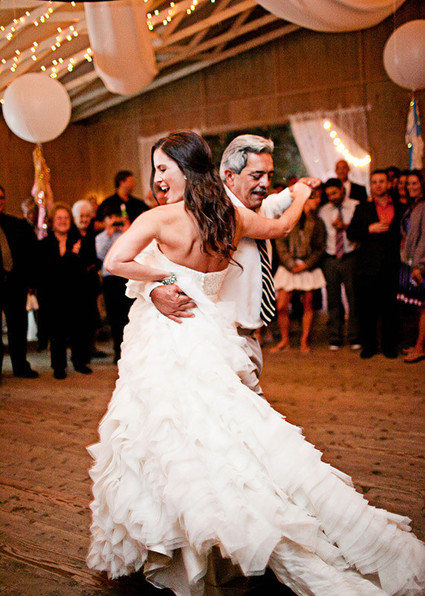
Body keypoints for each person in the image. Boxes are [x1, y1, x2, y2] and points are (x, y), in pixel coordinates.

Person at [87, 132, 425, 596]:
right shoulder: (229, 216)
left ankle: (194, 539)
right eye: (156, 169)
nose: (158, 177)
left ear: (185, 169)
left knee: (166, 437)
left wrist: (163, 276)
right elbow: (282, 227)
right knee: (223, 433)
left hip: (167, 339)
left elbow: (116, 261)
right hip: (212, 333)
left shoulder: (159, 218)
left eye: (163, 168)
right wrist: (301, 193)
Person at [145, 134, 301, 396]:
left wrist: (301, 188)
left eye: (269, 176)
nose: (265, 184)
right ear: (229, 176)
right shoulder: (211, 212)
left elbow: (281, 202)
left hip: (249, 338)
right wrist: (154, 290)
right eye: (257, 176)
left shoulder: (260, 208)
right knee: (249, 413)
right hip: (219, 339)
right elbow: (154, 258)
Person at [347, 170, 403, 359]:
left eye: (381, 181)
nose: (378, 185)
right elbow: (351, 233)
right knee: (367, 309)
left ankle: (389, 346)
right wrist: (368, 229)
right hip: (367, 266)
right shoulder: (362, 208)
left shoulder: (400, 207)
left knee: (390, 308)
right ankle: (369, 346)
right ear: (370, 186)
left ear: (389, 184)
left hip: (392, 265)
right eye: (374, 182)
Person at [37, 203, 93, 379]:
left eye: (66, 218)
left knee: (78, 330)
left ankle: (79, 362)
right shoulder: (45, 244)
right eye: (59, 218)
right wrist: (72, 256)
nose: (63, 221)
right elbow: (46, 270)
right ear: (53, 221)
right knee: (56, 332)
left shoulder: (79, 240)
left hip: (76, 293)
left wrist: (75, 257)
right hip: (53, 295)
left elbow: (87, 264)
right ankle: (58, 366)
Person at [271, 188, 326, 353]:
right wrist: (291, 263)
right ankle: (285, 340)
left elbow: (320, 248)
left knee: (308, 304)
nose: (317, 202)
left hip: (307, 267)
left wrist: (306, 264)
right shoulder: (289, 217)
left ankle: (304, 341)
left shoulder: (317, 222)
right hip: (289, 266)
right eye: (314, 198)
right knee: (281, 305)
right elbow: (280, 242)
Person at [0, 185, 39, 379]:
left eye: (1, 197)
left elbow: (30, 254)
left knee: (18, 327)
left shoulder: (16, 225)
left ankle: (20, 366)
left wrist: (29, 281)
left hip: (15, 284)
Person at [319, 178, 360, 350]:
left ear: (342, 190)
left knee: (354, 297)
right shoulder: (323, 211)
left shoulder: (355, 206)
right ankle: (335, 336)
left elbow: (361, 229)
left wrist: (345, 226)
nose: (332, 197)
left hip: (350, 256)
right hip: (331, 257)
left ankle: (355, 335)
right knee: (333, 298)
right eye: (329, 195)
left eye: (335, 193)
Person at [95, 208, 133, 364]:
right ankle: (117, 350)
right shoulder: (101, 237)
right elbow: (100, 255)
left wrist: (127, 232)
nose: (115, 220)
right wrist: (109, 234)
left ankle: (130, 350)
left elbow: (133, 251)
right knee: (114, 316)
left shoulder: (128, 234)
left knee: (129, 315)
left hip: (126, 277)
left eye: (117, 216)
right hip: (110, 279)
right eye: (111, 217)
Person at [397, 170, 425, 363]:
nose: (410, 187)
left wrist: (419, 266)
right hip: (410, 261)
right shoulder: (414, 205)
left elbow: (424, 238)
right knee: (417, 305)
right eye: (408, 184)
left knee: (423, 306)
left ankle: (420, 347)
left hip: (420, 263)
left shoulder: (423, 206)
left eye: (415, 183)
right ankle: (418, 344)